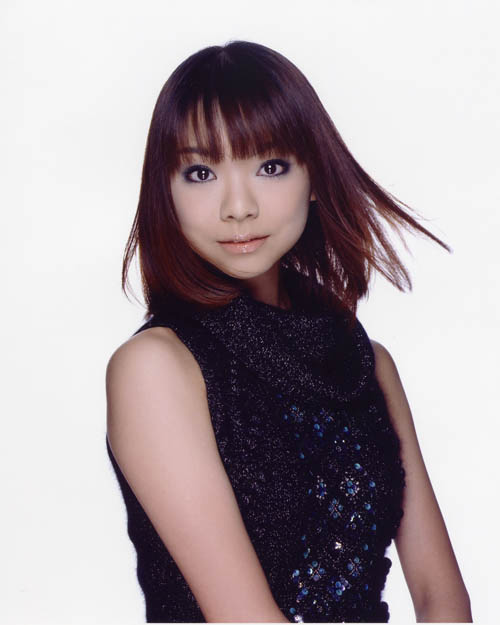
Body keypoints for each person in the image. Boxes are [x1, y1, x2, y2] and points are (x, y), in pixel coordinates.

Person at [105, 41, 472, 623]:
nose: (238, 207)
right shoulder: (157, 368)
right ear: (165, 192)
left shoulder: (366, 365)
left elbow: (440, 597)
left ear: (315, 176)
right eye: (200, 173)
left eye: (270, 166)